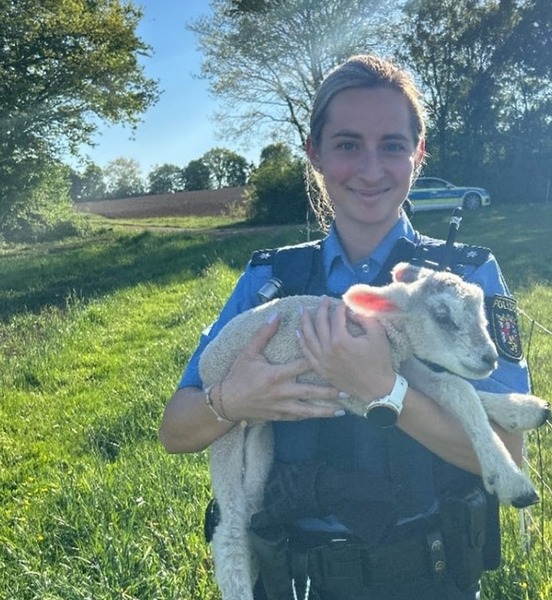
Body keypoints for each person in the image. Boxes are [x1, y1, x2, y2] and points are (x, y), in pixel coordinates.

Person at [159, 54, 531, 600]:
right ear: (314, 152)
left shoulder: (465, 279)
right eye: (348, 144)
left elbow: (508, 455)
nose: (371, 169)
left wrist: (386, 391)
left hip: (427, 577)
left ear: (418, 154)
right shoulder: (268, 280)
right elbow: (176, 431)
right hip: (290, 579)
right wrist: (232, 400)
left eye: (393, 146)